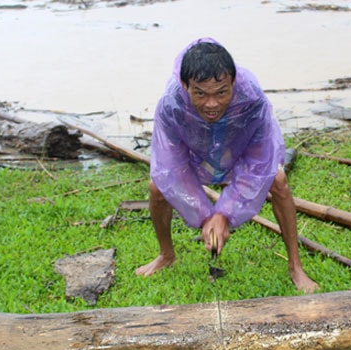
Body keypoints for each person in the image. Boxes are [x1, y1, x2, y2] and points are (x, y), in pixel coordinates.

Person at [135, 38, 319, 293]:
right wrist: (204, 217)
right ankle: (166, 255)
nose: (212, 104)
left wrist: (224, 214)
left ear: (233, 83)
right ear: (184, 86)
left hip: (238, 155)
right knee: (157, 187)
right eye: (200, 93)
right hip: (196, 158)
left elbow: (260, 159)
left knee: (279, 181)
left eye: (221, 92)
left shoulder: (253, 99)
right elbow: (171, 165)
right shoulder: (171, 105)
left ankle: (295, 266)